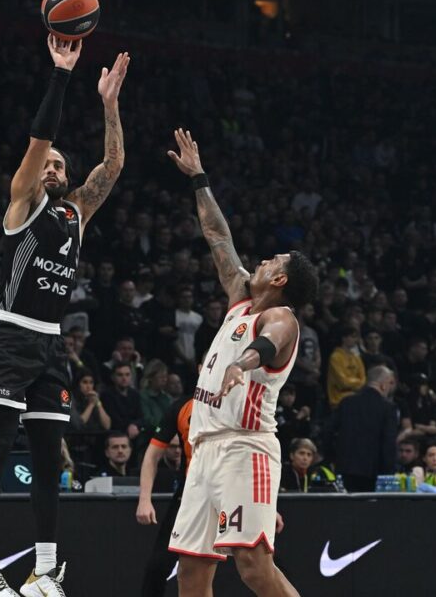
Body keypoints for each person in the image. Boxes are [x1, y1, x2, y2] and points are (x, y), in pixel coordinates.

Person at [0, 37, 129, 597]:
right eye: (52, 163)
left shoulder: (75, 212)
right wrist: (62, 76)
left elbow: (112, 165)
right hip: (11, 333)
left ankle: (43, 569)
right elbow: (40, 140)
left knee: (46, 459)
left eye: (64, 164)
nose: (58, 168)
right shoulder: (22, 202)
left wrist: (108, 103)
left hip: (52, 345)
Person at [164, 128, 314, 597]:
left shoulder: (282, 315)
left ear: (282, 277)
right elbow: (216, 235)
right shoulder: (240, 297)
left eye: (273, 259)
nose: (263, 260)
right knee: (192, 572)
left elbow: (272, 341)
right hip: (204, 450)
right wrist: (198, 178)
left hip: (244, 447)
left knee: (252, 566)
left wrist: (243, 363)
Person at [330, 366, 399, 492]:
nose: (390, 387)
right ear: (383, 384)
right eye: (390, 383)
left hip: (345, 469)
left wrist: (334, 459)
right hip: (373, 473)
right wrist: (389, 472)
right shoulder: (388, 408)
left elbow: (328, 432)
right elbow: (388, 443)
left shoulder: (346, 402)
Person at [326, 325, 366, 409]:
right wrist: (357, 382)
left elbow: (363, 380)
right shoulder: (335, 357)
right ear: (344, 338)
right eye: (352, 337)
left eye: (356, 337)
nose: (355, 340)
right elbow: (343, 382)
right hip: (339, 400)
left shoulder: (356, 357)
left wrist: (353, 382)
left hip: (356, 398)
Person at [100, 362, 145, 438]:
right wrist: (130, 426)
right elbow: (114, 420)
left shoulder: (135, 394)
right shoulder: (106, 395)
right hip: (115, 434)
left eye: (127, 375)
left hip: (134, 432)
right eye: (120, 375)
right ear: (113, 377)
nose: (124, 378)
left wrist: (134, 425)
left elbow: (141, 417)